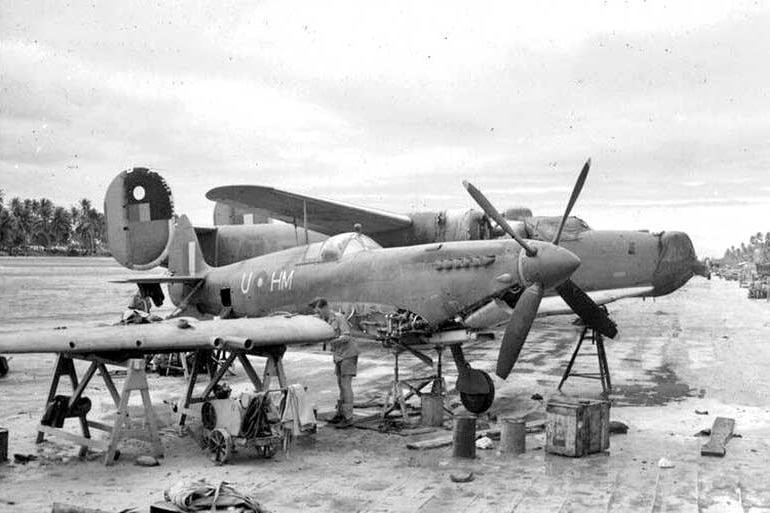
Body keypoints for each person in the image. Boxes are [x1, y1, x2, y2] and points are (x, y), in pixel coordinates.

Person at [310, 297, 359, 429]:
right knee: (340, 384)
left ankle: (348, 417)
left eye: (319, 311)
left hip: (348, 354)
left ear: (325, 308)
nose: (318, 314)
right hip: (339, 356)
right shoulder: (325, 319)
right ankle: (341, 413)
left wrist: (332, 341)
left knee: (345, 385)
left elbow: (347, 336)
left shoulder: (339, 318)